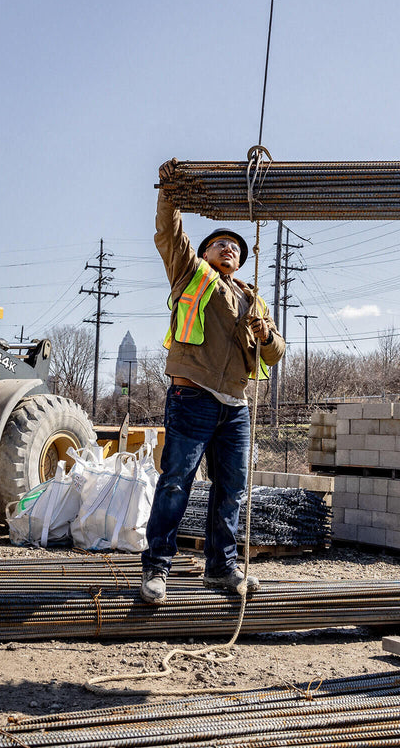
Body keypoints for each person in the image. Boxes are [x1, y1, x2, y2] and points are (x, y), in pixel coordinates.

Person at [140, 158, 285, 605]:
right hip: (193, 396)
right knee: (176, 481)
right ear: (204, 253)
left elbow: (276, 352)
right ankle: (157, 569)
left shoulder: (253, 298)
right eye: (219, 244)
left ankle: (221, 567)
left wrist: (265, 335)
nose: (229, 249)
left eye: (235, 247)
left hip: (236, 407)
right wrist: (169, 191)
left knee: (233, 489)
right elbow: (169, 234)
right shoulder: (192, 275)